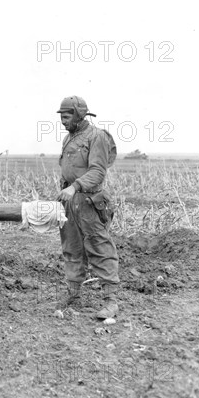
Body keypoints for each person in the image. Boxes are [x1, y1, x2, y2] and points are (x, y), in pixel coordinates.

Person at [55, 96, 120, 319]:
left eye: (67, 116)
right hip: (70, 204)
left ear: (80, 114)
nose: (63, 121)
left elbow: (98, 172)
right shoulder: (69, 139)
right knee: (71, 248)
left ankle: (110, 301)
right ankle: (73, 293)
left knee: (99, 248)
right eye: (61, 117)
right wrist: (65, 192)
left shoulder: (97, 136)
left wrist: (75, 187)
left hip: (90, 202)